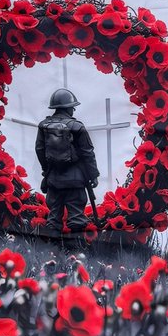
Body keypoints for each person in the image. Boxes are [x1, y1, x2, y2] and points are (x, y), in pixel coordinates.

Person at [36, 88, 99, 238]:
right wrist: (93, 175)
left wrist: (47, 170)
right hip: (75, 181)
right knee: (77, 218)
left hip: (53, 179)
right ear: (69, 108)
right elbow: (88, 153)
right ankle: (77, 253)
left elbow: (40, 150)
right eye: (73, 107)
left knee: (53, 218)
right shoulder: (77, 127)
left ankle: (52, 253)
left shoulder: (44, 126)